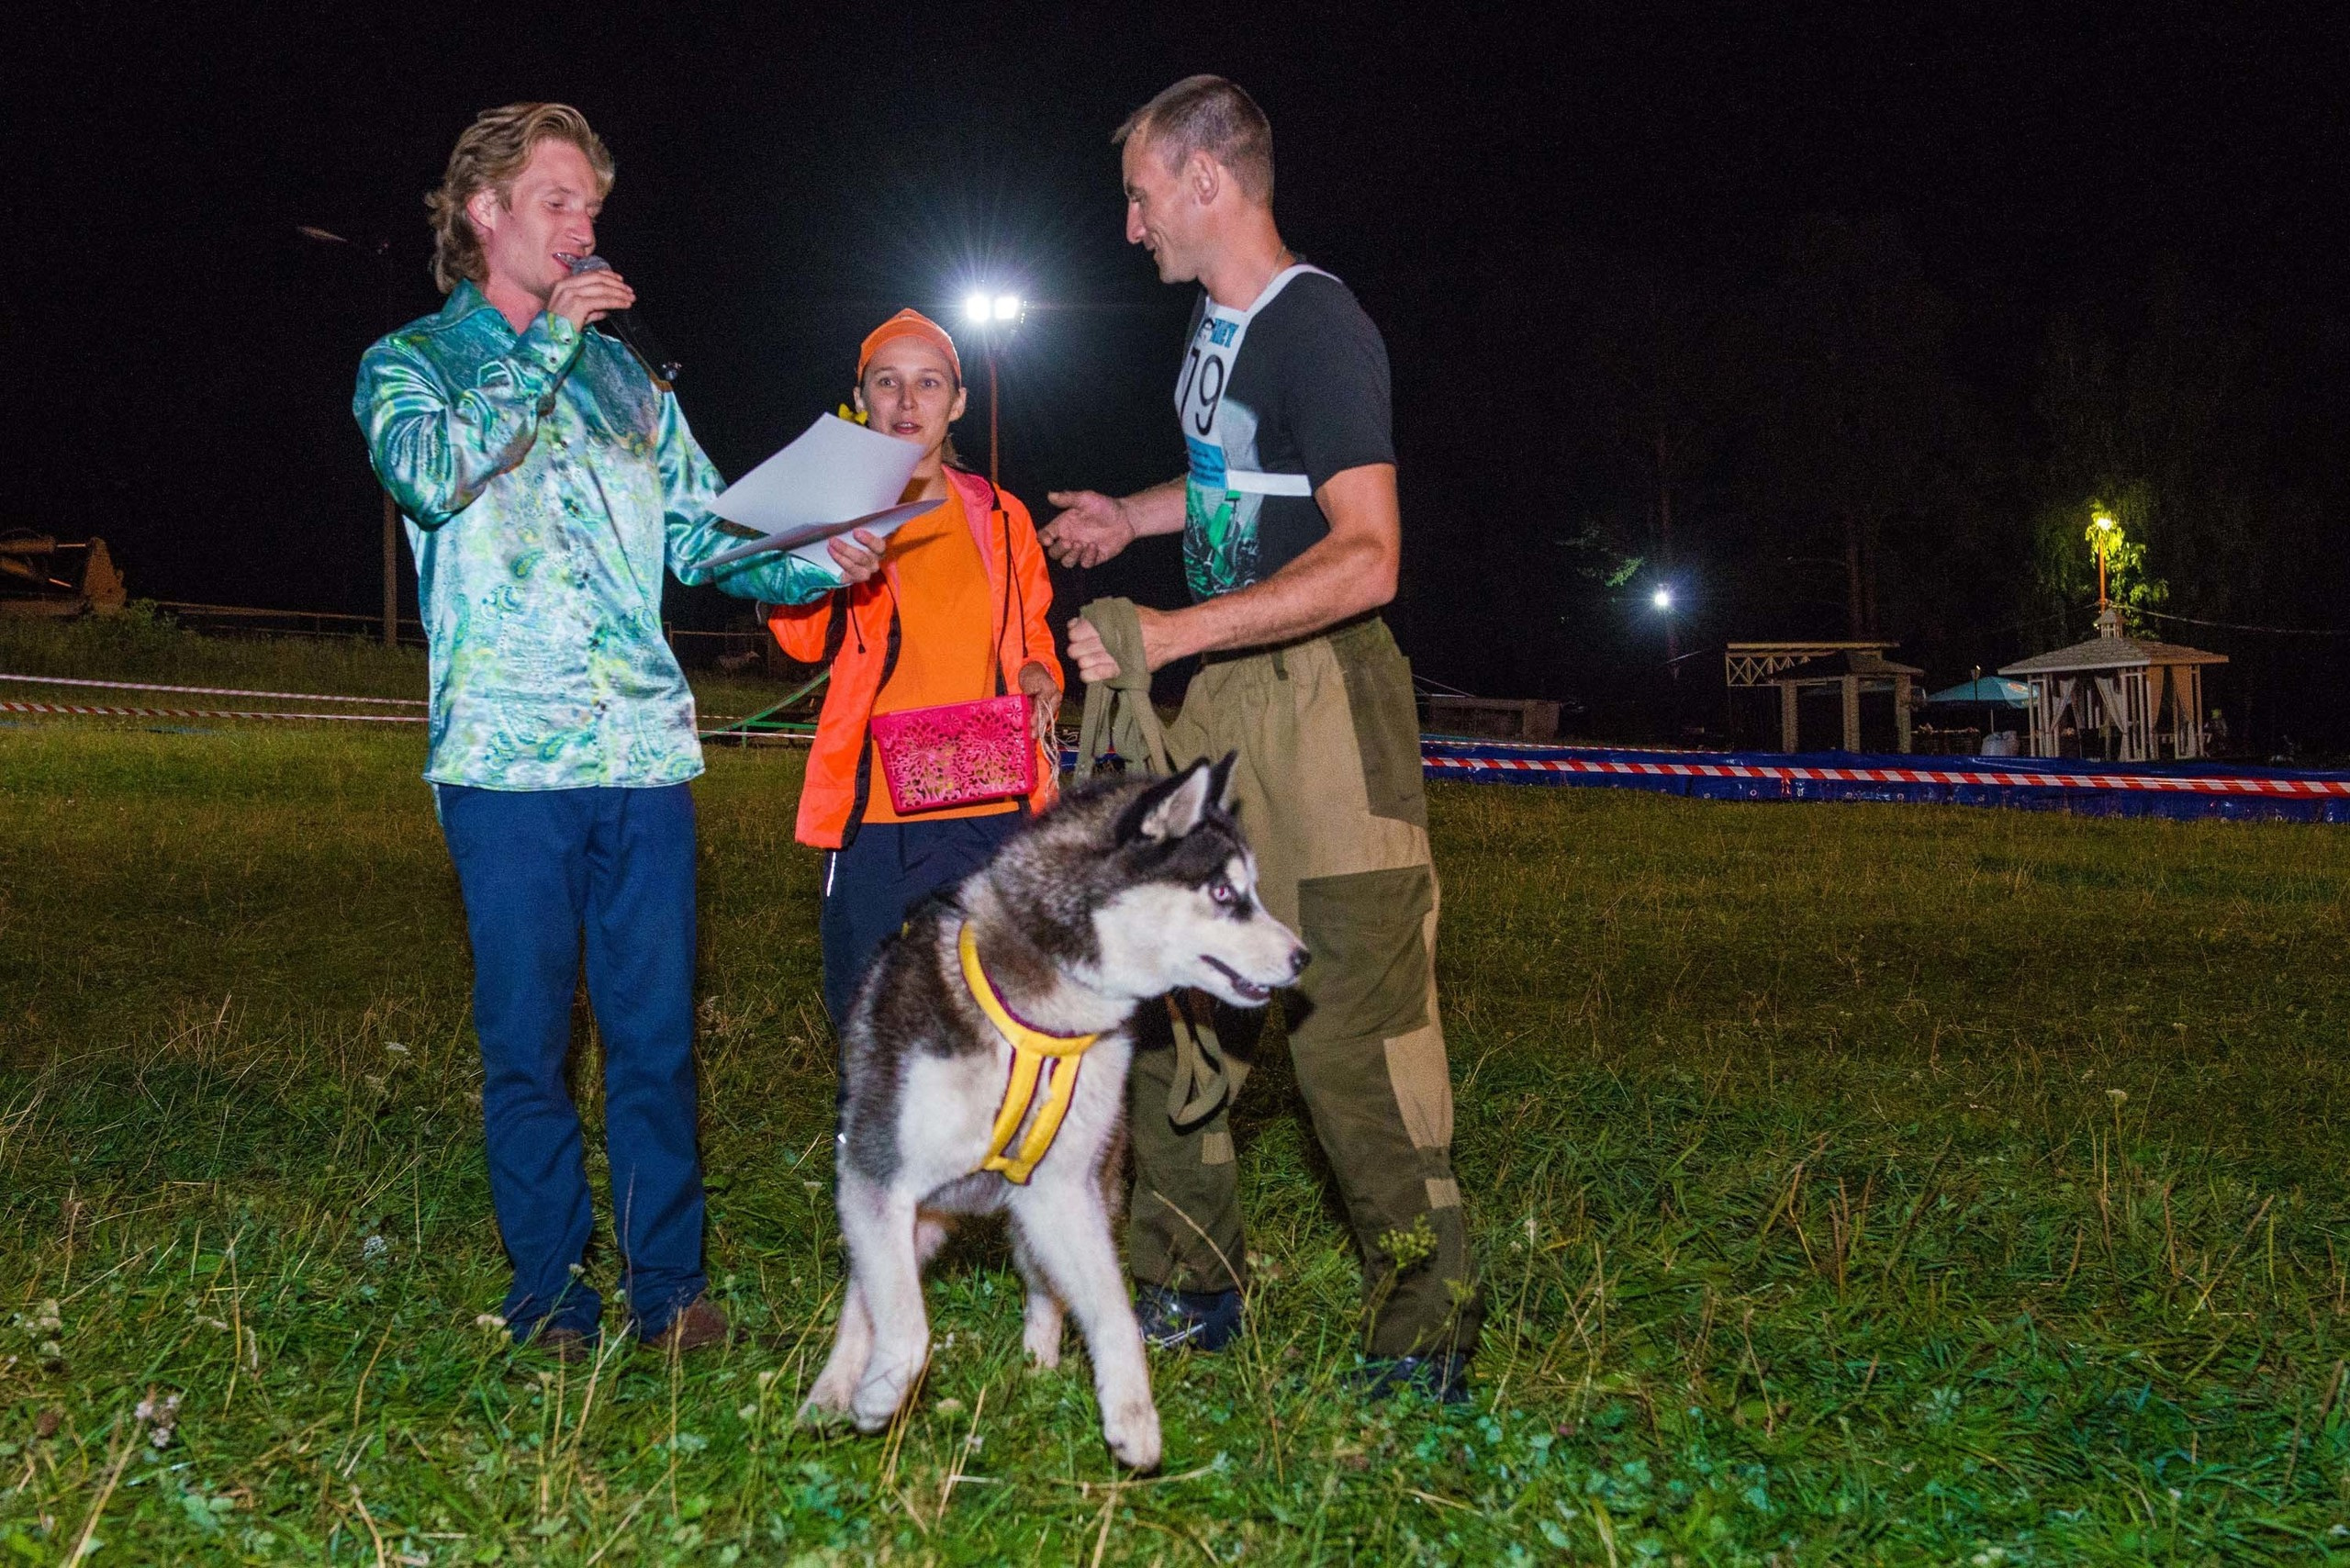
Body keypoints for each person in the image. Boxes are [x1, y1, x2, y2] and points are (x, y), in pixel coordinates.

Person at [353, 103, 853, 1358]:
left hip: (642, 756)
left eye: (592, 208)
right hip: (505, 761)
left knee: (653, 1038)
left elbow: (702, 533)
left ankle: (668, 1292)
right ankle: (548, 1300)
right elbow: (428, 474)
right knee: (527, 1042)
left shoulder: (632, 383)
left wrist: (821, 558)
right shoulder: (412, 362)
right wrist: (546, 352)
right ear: (487, 213)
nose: (587, 229)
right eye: (562, 203)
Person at [1039, 75, 1482, 1399]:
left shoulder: (1321, 327)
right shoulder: (1214, 328)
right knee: (1185, 996)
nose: (1130, 227)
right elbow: (1242, 482)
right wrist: (1135, 518)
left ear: (1207, 181)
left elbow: (1368, 556)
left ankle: (1426, 1333)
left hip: (1328, 708)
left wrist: (1169, 638)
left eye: (1139, 194)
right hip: (1225, 693)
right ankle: (1189, 1282)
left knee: (1352, 1026)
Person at [765, 309, 1062, 1027]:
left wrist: (1041, 676)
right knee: (867, 1013)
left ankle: (989, 1144)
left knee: (996, 1015)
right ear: (861, 397)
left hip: (987, 795)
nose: (906, 402)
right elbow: (800, 644)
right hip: (874, 808)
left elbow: (1030, 639)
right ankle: (867, 1142)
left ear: (957, 402)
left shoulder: (999, 513)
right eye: (887, 383)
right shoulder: (835, 504)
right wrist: (812, 562)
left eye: (928, 384)